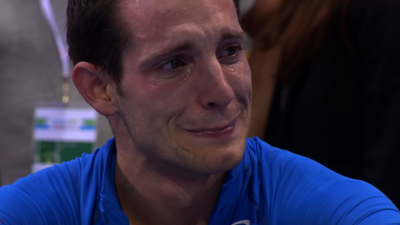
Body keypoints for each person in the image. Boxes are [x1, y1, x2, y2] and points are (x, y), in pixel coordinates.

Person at [0, 0, 399, 224]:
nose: (223, 92)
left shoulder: (335, 211)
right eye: (175, 63)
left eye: (229, 51)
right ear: (100, 89)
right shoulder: (33, 213)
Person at [241, 0, 400, 206]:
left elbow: (388, 157)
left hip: (352, 209)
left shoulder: (378, 11)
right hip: (303, 205)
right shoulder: (299, 15)